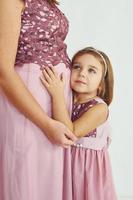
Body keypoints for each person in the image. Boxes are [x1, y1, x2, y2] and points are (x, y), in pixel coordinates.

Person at [0, 0, 77, 200]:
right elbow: (3, 71)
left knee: (48, 186)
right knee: (26, 184)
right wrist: (47, 124)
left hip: (54, 109)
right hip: (30, 113)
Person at [41, 47, 117, 200]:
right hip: (65, 164)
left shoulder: (99, 108)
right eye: (77, 67)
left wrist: (57, 94)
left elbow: (71, 132)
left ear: (101, 84)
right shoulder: (68, 101)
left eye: (92, 70)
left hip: (86, 171)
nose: (82, 73)